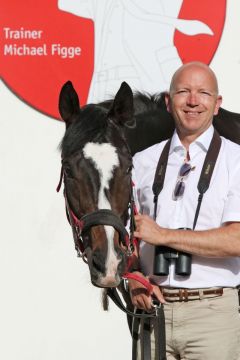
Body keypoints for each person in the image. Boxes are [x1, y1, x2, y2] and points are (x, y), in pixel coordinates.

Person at [129, 61, 240, 359]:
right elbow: (129, 239)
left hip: (212, 315)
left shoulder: (236, 160)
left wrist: (163, 235)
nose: (193, 101)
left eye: (203, 93)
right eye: (183, 92)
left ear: (217, 105)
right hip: (153, 315)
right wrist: (134, 278)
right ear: (168, 101)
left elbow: (236, 240)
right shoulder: (141, 161)